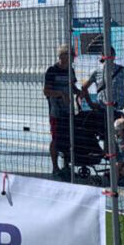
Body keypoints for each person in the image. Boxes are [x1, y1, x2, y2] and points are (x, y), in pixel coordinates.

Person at [44, 44, 82, 176]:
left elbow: (72, 87)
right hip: (56, 112)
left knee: (68, 138)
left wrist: (80, 92)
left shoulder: (71, 71)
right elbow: (46, 91)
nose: (73, 58)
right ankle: (55, 168)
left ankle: (66, 165)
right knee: (55, 138)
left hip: (69, 111)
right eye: (71, 55)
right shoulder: (52, 70)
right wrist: (61, 94)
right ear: (62, 56)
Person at [81, 46, 124, 110]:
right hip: (102, 110)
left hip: (119, 109)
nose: (109, 58)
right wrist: (90, 104)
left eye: (111, 55)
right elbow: (84, 87)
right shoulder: (97, 72)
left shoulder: (122, 71)